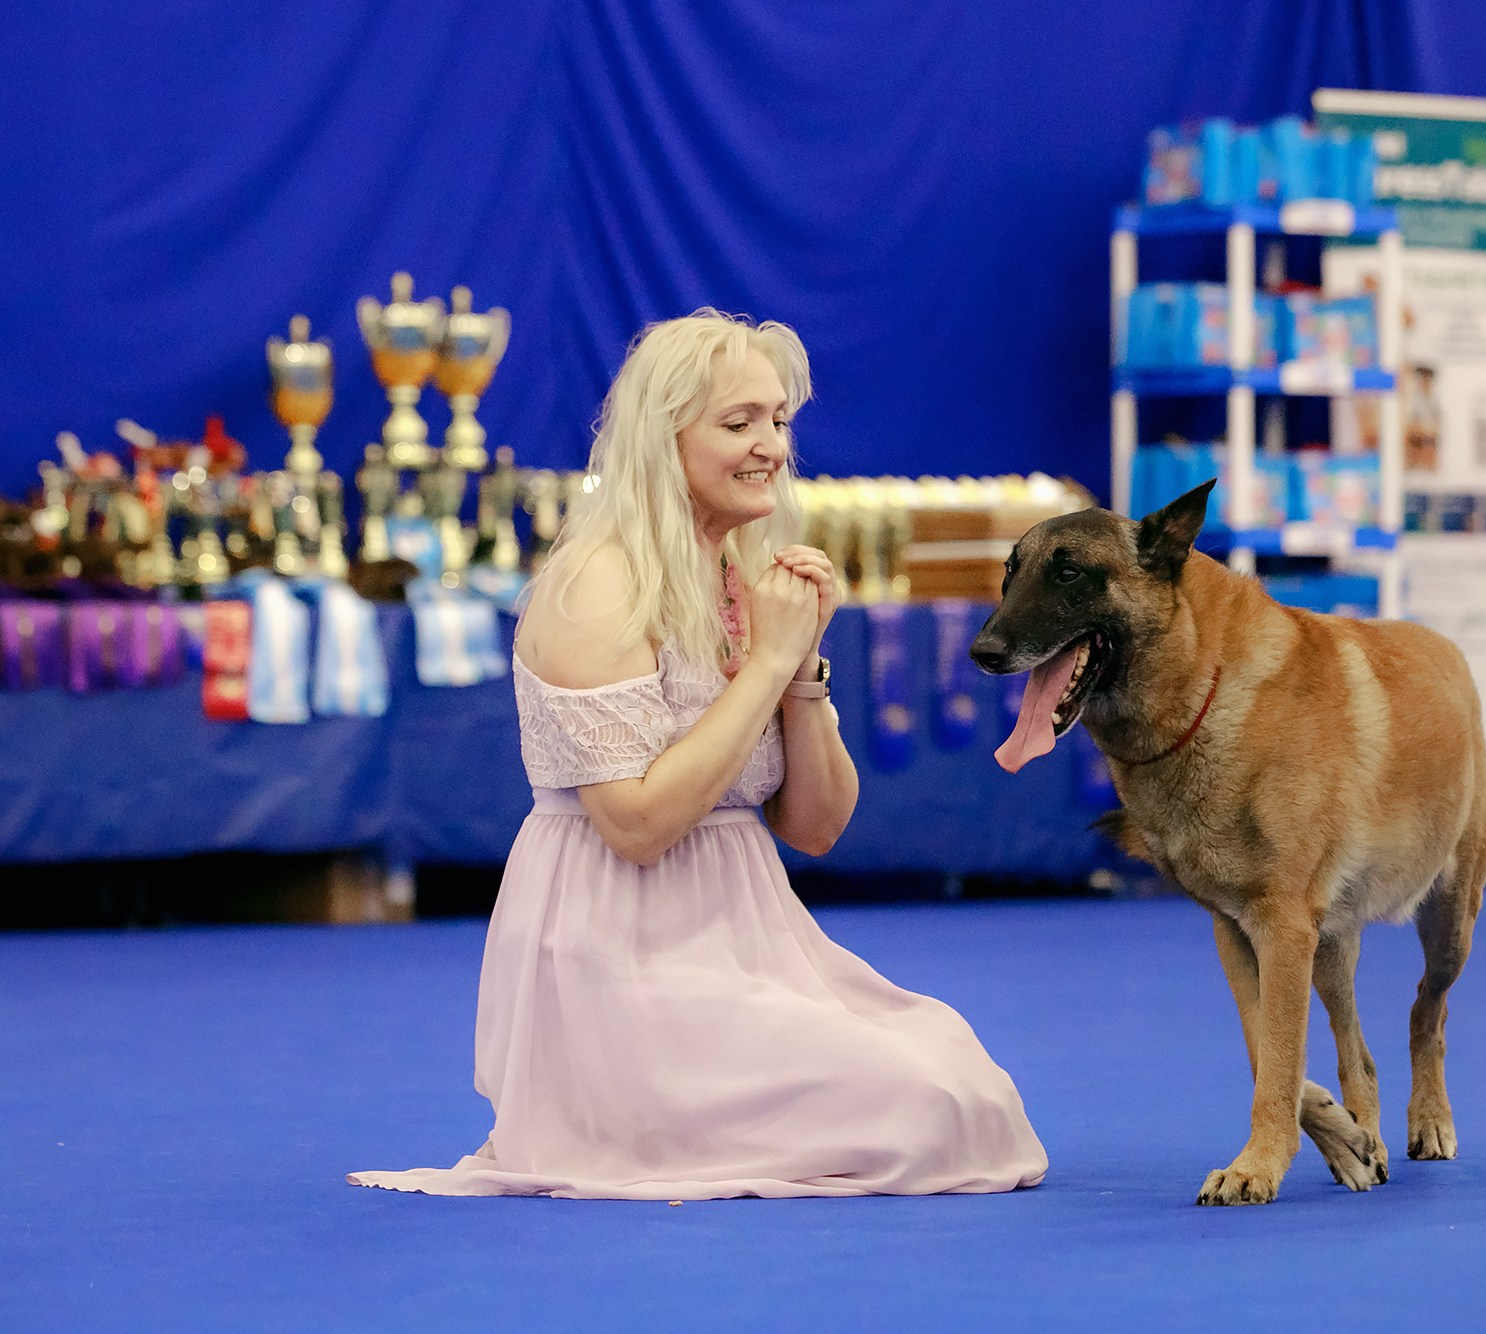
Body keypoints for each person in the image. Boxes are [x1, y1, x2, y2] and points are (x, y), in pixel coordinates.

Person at [348, 310, 1047, 1200]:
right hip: (620, 960)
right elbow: (636, 825)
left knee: (965, 1084)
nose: (771, 447)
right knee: (926, 1107)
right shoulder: (597, 587)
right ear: (661, 437)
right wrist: (764, 661)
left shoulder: (740, 578)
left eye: (780, 420)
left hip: (748, 940)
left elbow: (818, 826)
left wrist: (800, 670)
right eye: (739, 422)